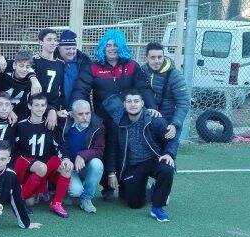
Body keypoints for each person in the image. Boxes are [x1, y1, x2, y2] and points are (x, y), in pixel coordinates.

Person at [71, 29, 156, 200]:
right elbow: (81, 90)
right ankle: (107, 187)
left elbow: (144, 89)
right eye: (108, 45)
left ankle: (127, 184)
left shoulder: (132, 66)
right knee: (104, 151)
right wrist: (77, 109)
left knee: (127, 151)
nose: (112, 48)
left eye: (115, 45)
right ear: (103, 47)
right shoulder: (93, 67)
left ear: (122, 47)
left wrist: (153, 107)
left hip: (128, 121)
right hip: (104, 121)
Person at [103, 90, 177, 222]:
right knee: (133, 203)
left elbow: (171, 139)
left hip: (154, 159)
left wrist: (168, 154)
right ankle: (154, 191)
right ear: (124, 104)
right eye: (129, 101)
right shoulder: (117, 123)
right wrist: (111, 172)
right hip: (134, 165)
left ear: (142, 103)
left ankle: (157, 208)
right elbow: (112, 149)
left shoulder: (154, 120)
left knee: (167, 168)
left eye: (136, 101)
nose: (133, 104)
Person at [13, 93, 73, 218]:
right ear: (29, 106)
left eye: (43, 105)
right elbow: (14, 149)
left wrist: (66, 158)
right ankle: (18, 200)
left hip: (44, 164)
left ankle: (56, 203)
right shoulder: (21, 125)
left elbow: (60, 145)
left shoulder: (50, 124)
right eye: (36, 105)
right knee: (30, 201)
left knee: (67, 166)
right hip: (26, 163)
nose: (40, 108)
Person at [60, 99, 105, 213]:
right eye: (80, 114)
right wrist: (65, 158)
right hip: (68, 166)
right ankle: (68, 191)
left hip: (84, 166)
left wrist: (82, 155)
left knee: (97, 164)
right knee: (76, 191)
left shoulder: (98, 125)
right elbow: (60, 144)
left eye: (87, 113)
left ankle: (86, 199)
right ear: (73, 114)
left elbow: (99, 150)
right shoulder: (64, 123)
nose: (85, 117)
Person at [141, 42, 189, 142]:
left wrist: (175, 124)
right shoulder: (141, 72)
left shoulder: (175, 75)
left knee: (167, 155)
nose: (157, 61)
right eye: (153, 57)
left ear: (164, 57)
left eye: (160, 57)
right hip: (145, 120)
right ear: (146, 58)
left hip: (168, 122)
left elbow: (183, 103)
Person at [33, 29, 68, 130]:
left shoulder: (61, 64)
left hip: (54, 109)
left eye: (55, 40)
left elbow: (62, 90)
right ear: (40, 42)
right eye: (49, 39)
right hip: (36, 108)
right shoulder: (35, 61)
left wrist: (57, 110)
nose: (53, 43)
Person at [55, 29, 92, 110]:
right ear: (59, 48)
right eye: (68, 49)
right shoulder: (52, 60)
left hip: (79, 110)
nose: (71, 51)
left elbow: (83, 88)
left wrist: (75, 108)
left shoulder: (84, 62)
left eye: (74, 48)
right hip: (57, 109)